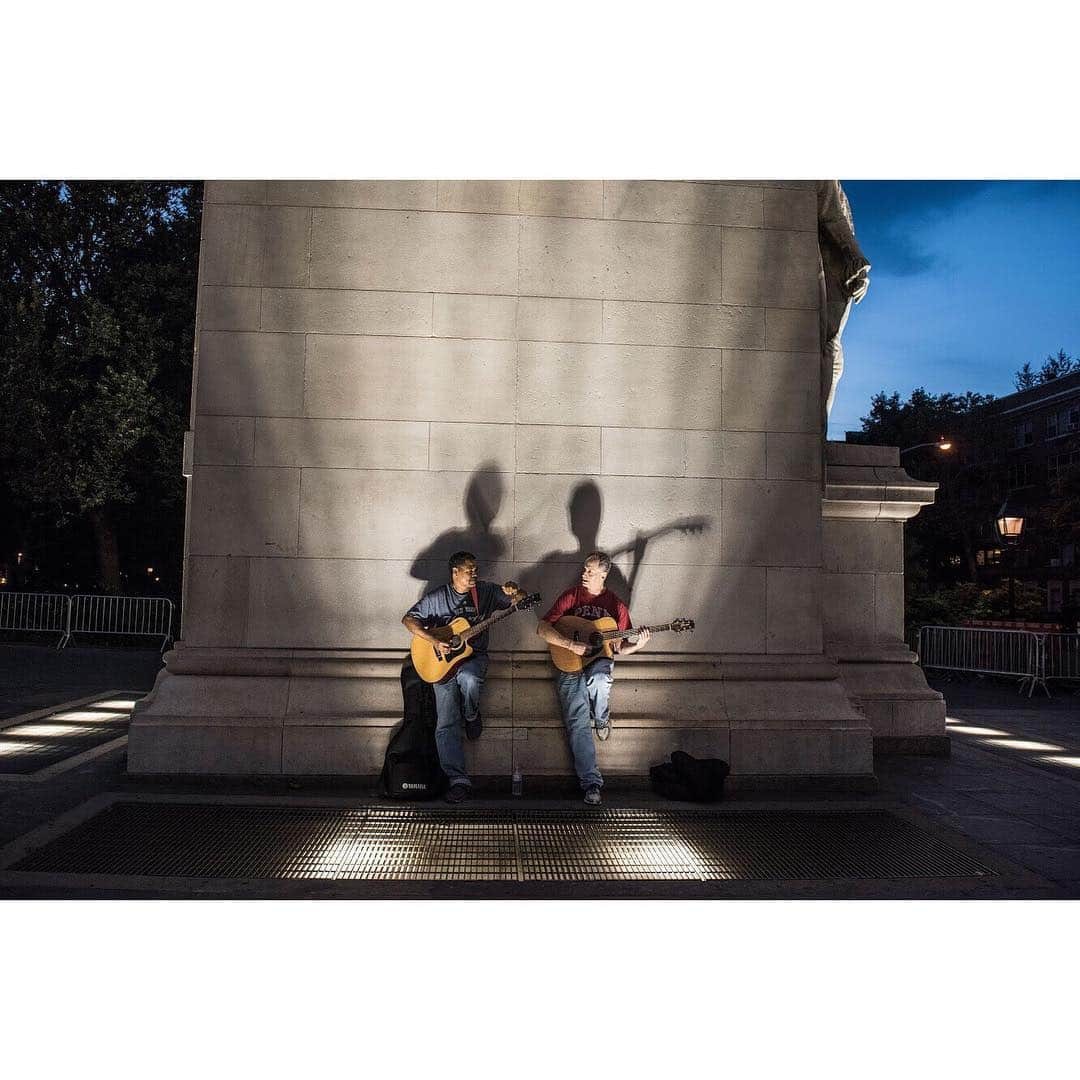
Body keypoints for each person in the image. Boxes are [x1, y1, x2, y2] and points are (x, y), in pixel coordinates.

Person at [402, 551, 524, 803]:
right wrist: (434, 640)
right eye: (469, 570)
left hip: (474, 658)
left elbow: (516, 601)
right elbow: (409, 619)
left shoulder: (486, 592)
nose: (474, 574)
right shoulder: (438, 598)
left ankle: (470, 714)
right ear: (455, 572)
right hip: (443, 666)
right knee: (445, 723)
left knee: (469, 678)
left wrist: (517, 593)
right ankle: (458, 779)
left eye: (476, 569)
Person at [535, 552, 651, 805]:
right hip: (569, 662)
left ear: (603, 574)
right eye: (585, 570)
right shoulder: (571, 596)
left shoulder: (616, 606)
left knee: (599, 679)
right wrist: (569, 643)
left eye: (590, 571)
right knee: (577, 720)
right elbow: (542, 628)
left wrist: (638, 646)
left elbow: (619, 648)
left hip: (598, 662)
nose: (584, 574)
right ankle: (591, 784)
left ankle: (601, 717)